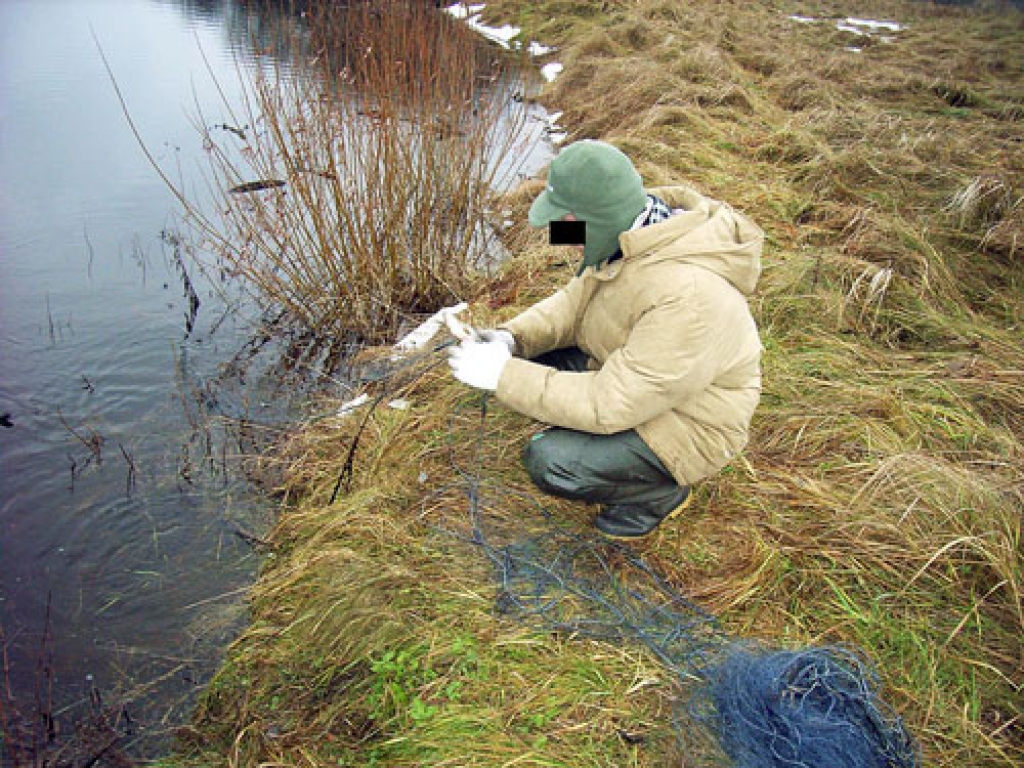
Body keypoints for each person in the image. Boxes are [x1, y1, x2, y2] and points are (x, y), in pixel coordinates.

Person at [448, 140, 763, 539]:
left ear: (598, 218)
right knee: (534, 364)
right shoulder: (632, 233)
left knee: (550, 461)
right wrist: (510, 340)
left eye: (566, 223)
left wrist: (503, 376)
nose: (560, 235)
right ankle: (609, 450)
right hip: (642, 376)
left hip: (692, 424)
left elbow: (610, 404)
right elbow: (572, 304)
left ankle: (658, 495)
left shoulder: (691, 298)